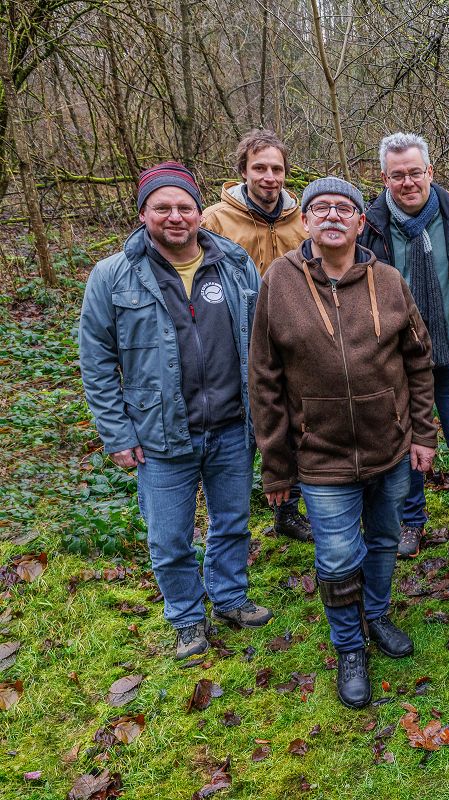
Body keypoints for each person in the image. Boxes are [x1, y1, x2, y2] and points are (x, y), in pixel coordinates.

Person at [250, 177, 437, 709]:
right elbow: (263, 380)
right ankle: (349, 647)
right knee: (335, 558)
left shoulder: (390, 281)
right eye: (321, 208)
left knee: (382, 540)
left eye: (344, 208)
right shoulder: (278, 283)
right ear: (305, 221)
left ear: (360, 222)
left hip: (390, 446)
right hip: (320, 455)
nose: (333, 215)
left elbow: (419, 362)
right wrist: (277, 467)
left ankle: (375, 615)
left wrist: (423, 434)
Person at [79, 162, 272, 661]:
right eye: (162, 207)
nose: (175, 216)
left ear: (199, 212)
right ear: (143, 213)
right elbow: (96, 361)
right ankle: (187, 617)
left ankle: (229, 597)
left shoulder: (234, 264)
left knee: (232, 521)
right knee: (169, 538)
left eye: (184, 206)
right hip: (160, 433)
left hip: (232, 425)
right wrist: (117, 433)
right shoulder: (112, 276)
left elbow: (263, 341)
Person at [358, 132, 449, 557]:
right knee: (405, 443)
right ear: (384, 178)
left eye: (415, 173)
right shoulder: (370, 226)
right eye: (397, 175)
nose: (408, 182)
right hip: (396, 360)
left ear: (430, 172)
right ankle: (411, 522)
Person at [202, 129, 312, 542]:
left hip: (291, 338)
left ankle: (288, 511)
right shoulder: (215, 220)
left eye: (277, 168)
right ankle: (231, 522)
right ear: (244, 171)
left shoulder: (302, 219)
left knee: (292, 422)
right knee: (242, 428)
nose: (269, 176)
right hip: (231, 340)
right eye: (260, 167)